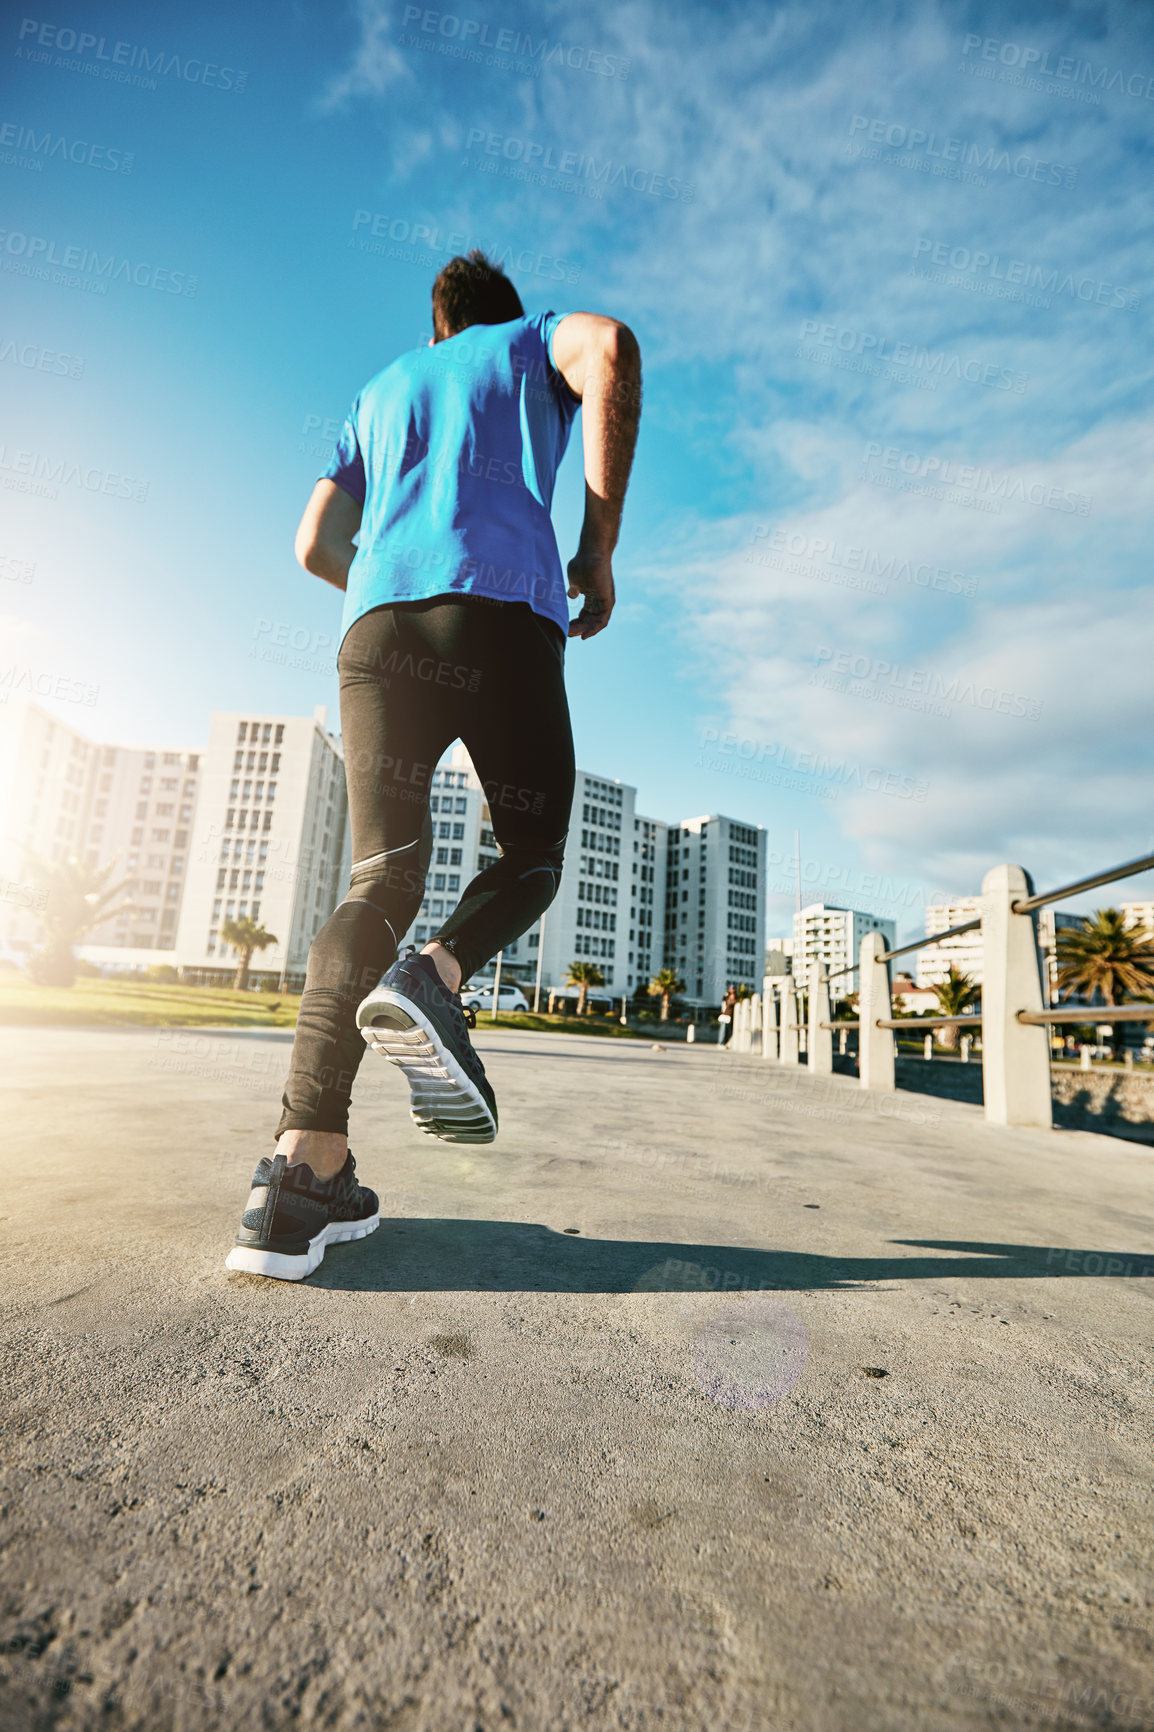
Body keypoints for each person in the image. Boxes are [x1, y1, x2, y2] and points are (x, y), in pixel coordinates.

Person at [225, 251, 642, 1280]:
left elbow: (312, 541)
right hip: (499, 615)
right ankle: (437, 973)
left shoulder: (378, 391)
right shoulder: (526, 342)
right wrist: (597, 548)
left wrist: (383, 577)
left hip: (375, 629)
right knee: (536, 851)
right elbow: (612, 350)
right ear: (499, 318)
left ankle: (298, 1174)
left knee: (377, 880)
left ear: (433, 322)